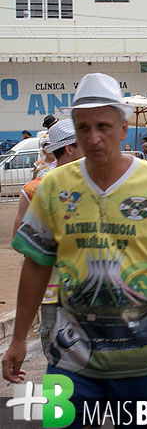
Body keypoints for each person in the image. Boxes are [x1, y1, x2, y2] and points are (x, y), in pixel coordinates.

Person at [2, 73, 147, 417]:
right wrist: (17, 341)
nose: (94, 138)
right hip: (71, 360)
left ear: (123, 127)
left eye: (103, 126)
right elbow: (36, 265)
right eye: (83, 128)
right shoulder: (53, 188)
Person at [12, 119, 83, 362]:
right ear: (69, 148)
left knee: (70, 370)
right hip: (62, 294)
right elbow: (23, 243)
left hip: (78, 295)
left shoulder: (35, 188)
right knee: (67, 369)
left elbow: (21, 241)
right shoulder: (37, 189)